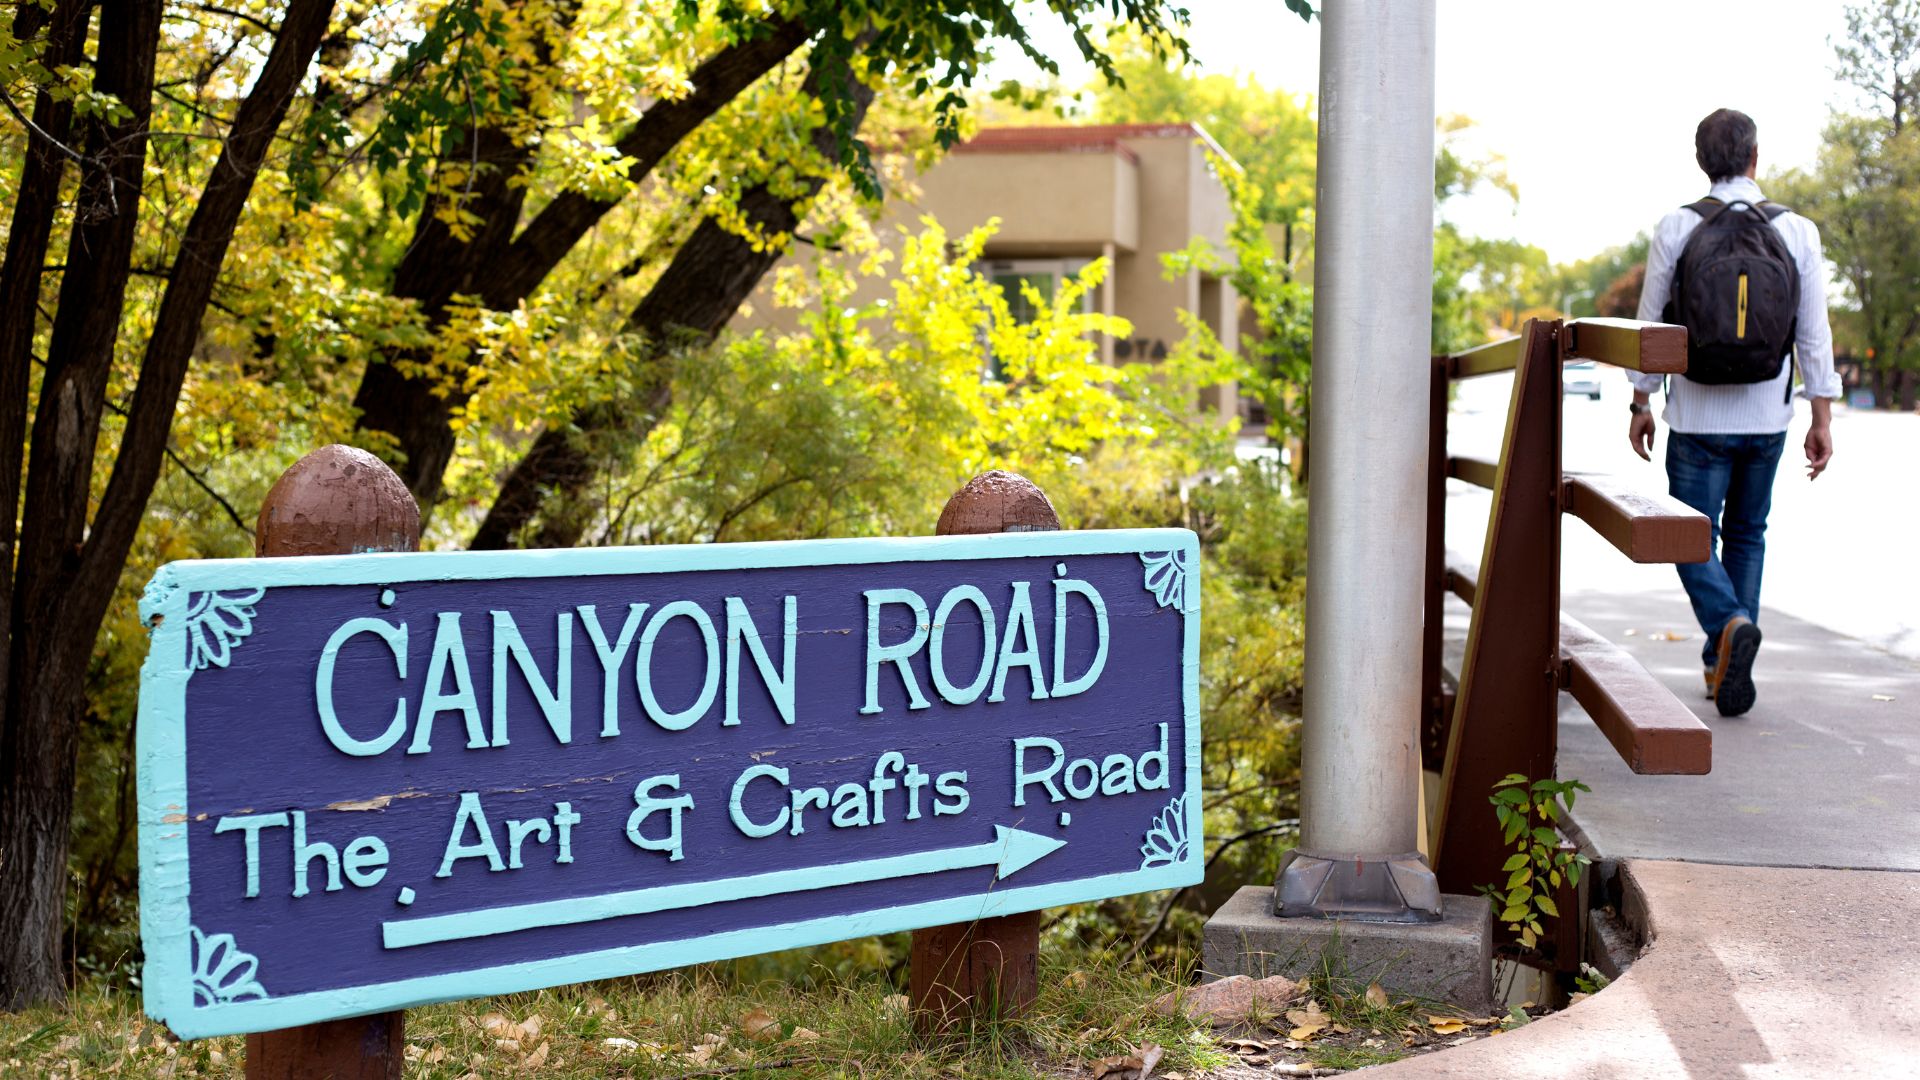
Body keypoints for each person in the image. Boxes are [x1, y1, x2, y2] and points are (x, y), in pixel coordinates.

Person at [1629, 108, 1839, 717]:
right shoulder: (1797, 230)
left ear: (1703, 162)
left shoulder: (1677, 225)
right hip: (1767, 416)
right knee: (1747, 534)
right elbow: (1814, 334)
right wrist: (1820, 416)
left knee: (1687, 537)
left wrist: (1641, 398)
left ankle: (1725, 629)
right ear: (1755, 157)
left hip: (1694, 415)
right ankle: (1725, 657)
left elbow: (1649, 324)